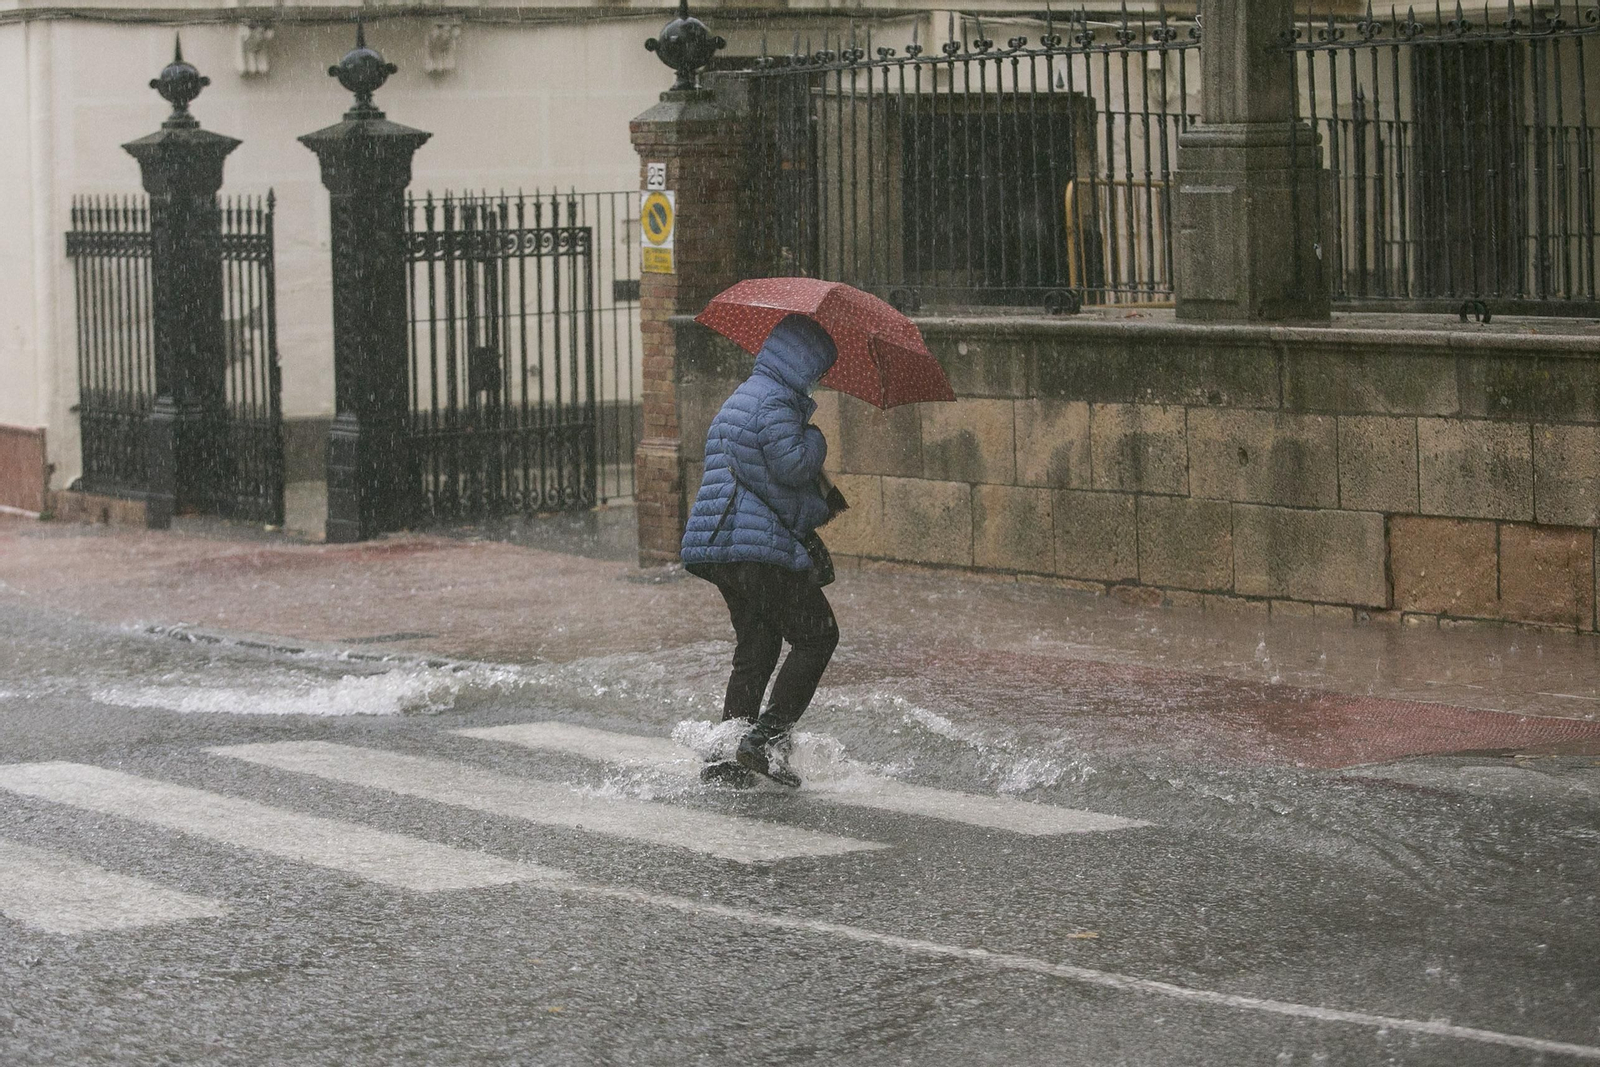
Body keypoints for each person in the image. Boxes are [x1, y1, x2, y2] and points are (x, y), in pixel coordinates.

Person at [680, 315, 842, 787]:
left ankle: (726, 757)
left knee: (758, 645)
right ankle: (765, 740)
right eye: (819, 368)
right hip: (755, 547)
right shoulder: (774, 400)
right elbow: (792, 466)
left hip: (722, 545)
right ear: (802, 360)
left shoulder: (747, 394)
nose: (821, 379)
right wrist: (816, 436)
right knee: (817, 636)